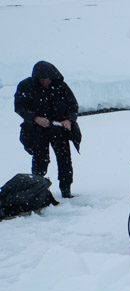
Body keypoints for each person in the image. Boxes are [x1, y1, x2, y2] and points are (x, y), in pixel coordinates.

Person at [14, 61, 81, 199]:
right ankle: (38, 190)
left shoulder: (60, 86)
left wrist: (69, 120)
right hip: (37, 130)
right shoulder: (26, 86)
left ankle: (66, 190)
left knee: (65, 160)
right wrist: (35, 118)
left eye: (49, 78)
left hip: (59, 129)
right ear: (37, 78)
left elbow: (73, 105)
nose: (47, 81)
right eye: (44, 78)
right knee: (40, 159)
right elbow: (20, 107)